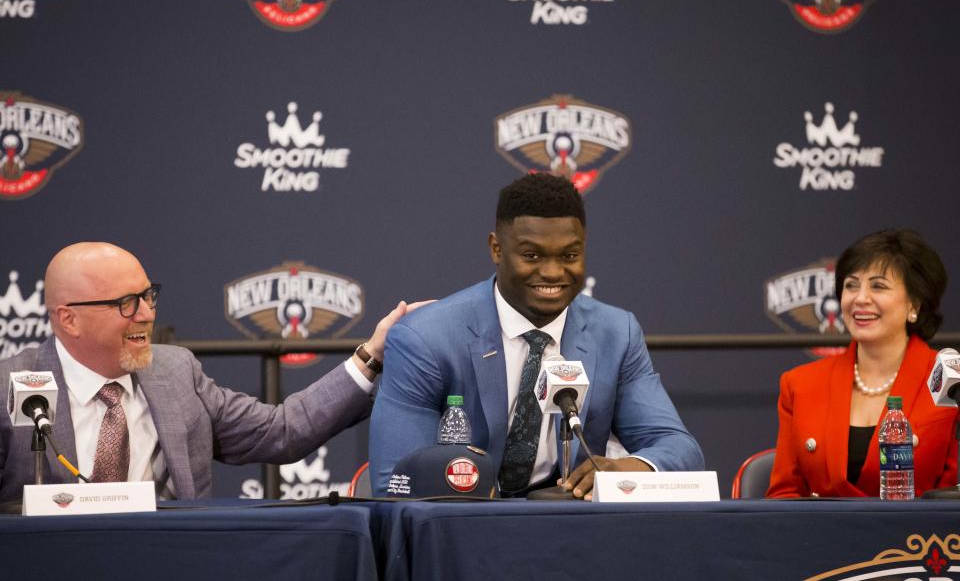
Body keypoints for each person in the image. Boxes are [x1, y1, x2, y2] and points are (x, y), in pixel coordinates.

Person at [0, 242, 426, 502]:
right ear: (68, 319)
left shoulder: (176, 373)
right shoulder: (9, 390)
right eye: (126, 303)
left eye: (149, 296)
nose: (147, 315)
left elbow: (283, 430)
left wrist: (372, 354)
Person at [369, 173, 704, 498]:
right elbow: (396, 481)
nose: (553, 272)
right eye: (532, 255)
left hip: (570, 537)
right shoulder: (426, 338)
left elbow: (680, 450)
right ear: (496, 249)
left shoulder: (615, 333)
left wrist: (632, 468)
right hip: (461, 534)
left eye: (569, 256)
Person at [767, 229, 957, 498]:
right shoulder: (801, 384)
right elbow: (784, 496)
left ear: (914, 303)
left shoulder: (948, 379)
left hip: (919, 538)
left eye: (878, 286)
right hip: (823, 538)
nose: (860, 298)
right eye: (851, 285)